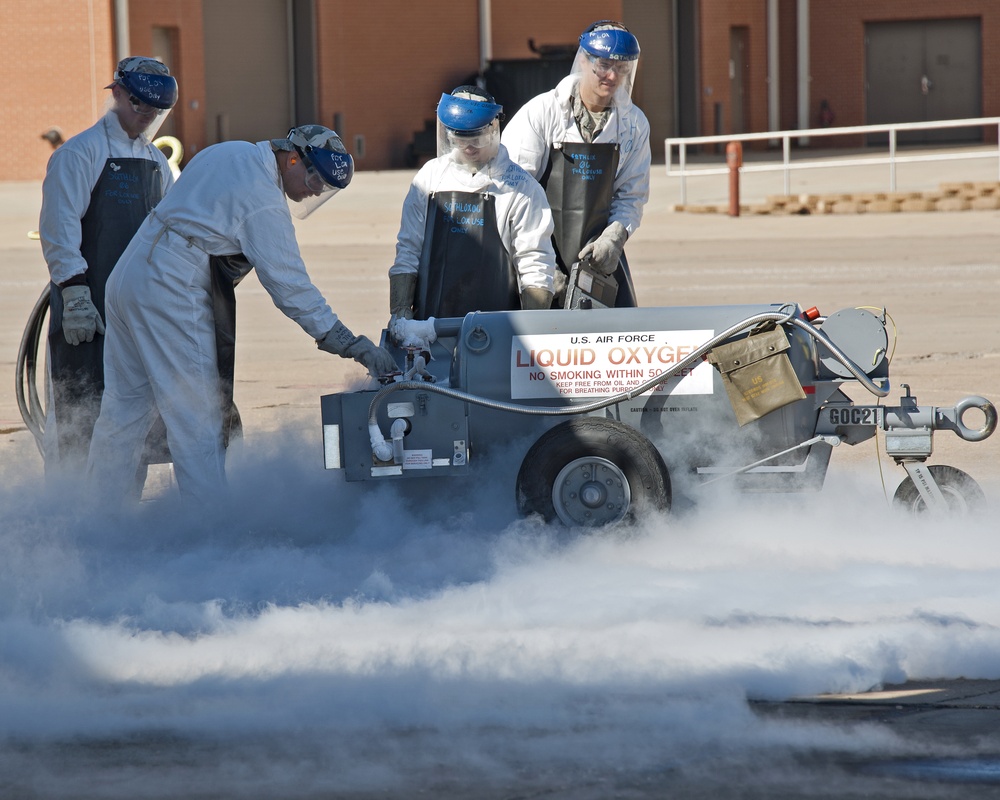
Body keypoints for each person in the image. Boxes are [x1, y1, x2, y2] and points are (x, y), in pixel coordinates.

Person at [86, 125, 396, 505]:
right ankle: (209, 526)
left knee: (123, 409)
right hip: (170, 288)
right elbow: (291, 288)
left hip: (129, 274)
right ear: (292, 156)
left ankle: (100, 515)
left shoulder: (232, 150)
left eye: (325, 189)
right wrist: (351, 343)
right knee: (196, 418)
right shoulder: (264, 201)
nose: (315, 190)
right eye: (314, 178)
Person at [38, 56, 177, 473]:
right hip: (88, 304)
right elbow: (59, 227)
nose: (147, 116)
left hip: (136, 310)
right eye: (139, 105)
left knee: (133, 412)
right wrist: (75, 291)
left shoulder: (157, 162)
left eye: (156, 110)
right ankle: (71, 510)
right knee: (81, 405)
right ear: (116, 93)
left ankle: (120, 513)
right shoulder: (81, 153)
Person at [501, 20, 650, 307]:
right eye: (604, 65)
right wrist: (539, 266)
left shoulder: (633, 125)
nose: (611, 76)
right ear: (583, 59)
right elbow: (514, 195)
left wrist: (614, 238)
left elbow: (631, 195)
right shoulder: (541, 113)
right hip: (537, 253)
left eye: (621, 68)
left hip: (598, 261)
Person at [388, 86, 555, 322]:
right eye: (459, 139)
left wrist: (533, 321)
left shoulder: (521, 188)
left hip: (498, 326)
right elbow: (409, 247)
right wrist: (400, 310)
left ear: (494, 128)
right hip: (430, 324)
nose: (468, 148)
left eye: (477, 139)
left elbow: (534, 259)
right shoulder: (430, 178)